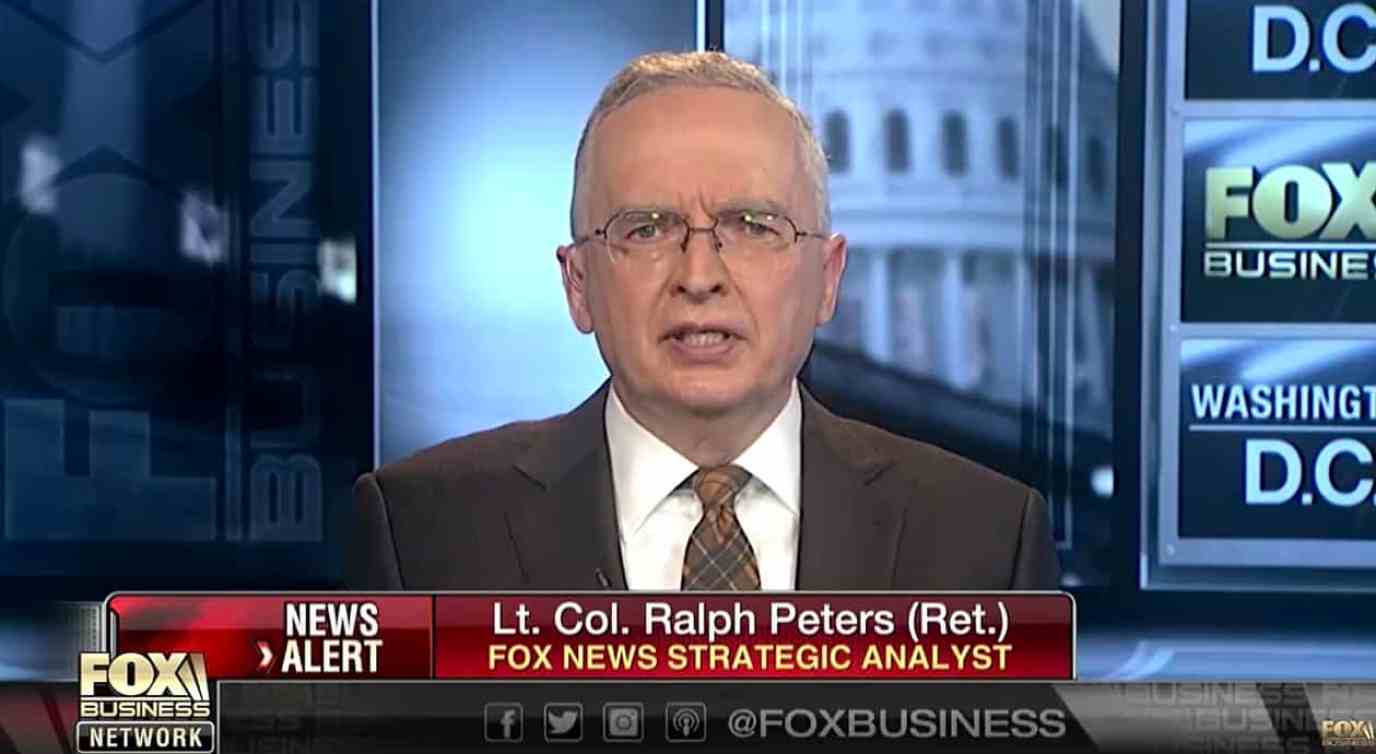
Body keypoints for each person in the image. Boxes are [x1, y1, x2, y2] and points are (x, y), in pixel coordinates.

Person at [348, 51, 1059, 591]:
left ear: (827, 279)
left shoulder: (988, 541)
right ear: (578, 284)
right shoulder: (422, 531)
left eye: (753, 226)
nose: (699, 276)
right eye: (646, 229)